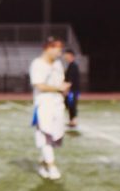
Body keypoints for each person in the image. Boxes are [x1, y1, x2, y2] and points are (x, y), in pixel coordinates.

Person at [29, 37, 70, 180]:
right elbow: (38, 85)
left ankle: (44, 162)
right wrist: (57, 88)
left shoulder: (58, 64)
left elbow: (60, 81)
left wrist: (63, 88)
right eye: (57, 49)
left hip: (58, 104)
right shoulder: (37, 64)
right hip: (44, 104)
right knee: (45, 135)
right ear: (48, 48)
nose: (59, 53)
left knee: (55, 137)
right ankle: (51, 166)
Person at [63, 48, 81, 129]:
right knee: (69, 104)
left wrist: (66, 90)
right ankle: (71, 120)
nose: (64, 56)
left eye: (66, 54)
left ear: (70, 55)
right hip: (72, 90)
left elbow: (70, 80)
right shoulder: (70, 65)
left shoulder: (73, 66)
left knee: (72, 104)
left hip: (73, 91)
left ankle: (73, 120)